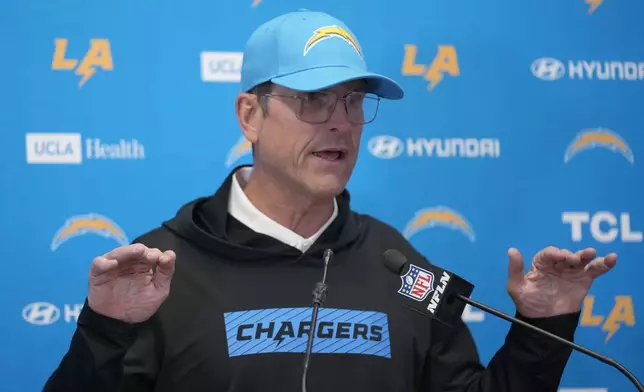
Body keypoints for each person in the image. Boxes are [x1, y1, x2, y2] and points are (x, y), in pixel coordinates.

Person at [43, 8, 617, 392]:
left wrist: (544, 325)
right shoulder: (158, 269)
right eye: (315, 100)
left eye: (352, 102)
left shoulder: (404, 265)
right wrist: (105, 331)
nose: (340, 124)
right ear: (250, 115)